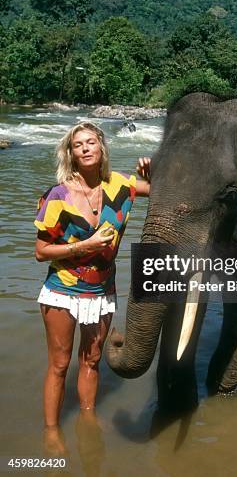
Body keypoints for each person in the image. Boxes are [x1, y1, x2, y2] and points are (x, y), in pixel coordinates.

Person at [34, 121, 151, 437]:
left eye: (90, 142)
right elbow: (42, 251)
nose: (84, 148)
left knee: (92, 361)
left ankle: (87, 421)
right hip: (62, 290)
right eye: (77, 144)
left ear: (102, 148)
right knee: (59, 365)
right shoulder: (57, 196)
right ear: (70, 154)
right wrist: (84, 245)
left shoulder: (122, 186)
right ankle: (51, 431)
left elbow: (160, 192)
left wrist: (150, 173)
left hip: (102, 291)